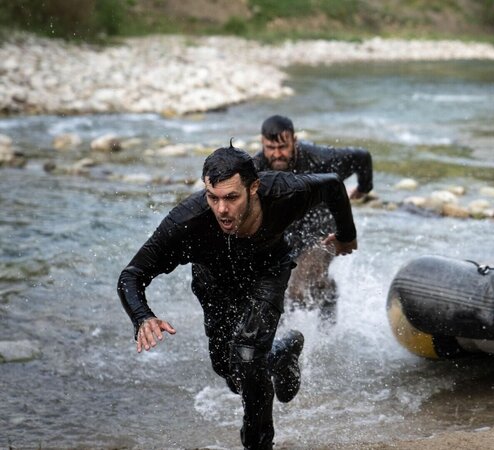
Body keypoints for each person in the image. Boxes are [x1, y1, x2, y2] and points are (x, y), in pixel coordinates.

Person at [117, 144, 357, 450]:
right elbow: (131, 275)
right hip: (214, 288)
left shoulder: (284, 192)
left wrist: (347, 235)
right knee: (229, 371)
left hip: (268, 273)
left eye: (231, 197)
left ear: (253, 187)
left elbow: (334, 185)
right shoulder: (187, 222)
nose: (221, 209)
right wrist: (143, 316)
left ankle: (258, 444)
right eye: (213, 197)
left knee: (247, 353)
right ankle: (282, 351)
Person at [253, 115, 373, 322]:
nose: (277, 154)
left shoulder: (320, 159)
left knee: (298, 292)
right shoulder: (255, 168)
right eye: (271, 148)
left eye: (283, 147)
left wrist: (364, 188)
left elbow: (362, 157)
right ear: (263, 144)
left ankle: (327, 297)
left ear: (295, 140)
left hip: (323, 232)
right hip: (286, 234)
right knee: (268, 294)